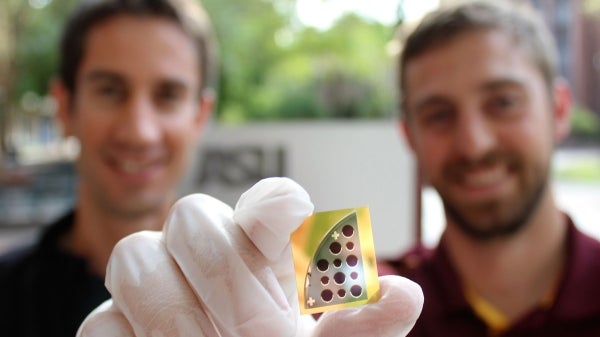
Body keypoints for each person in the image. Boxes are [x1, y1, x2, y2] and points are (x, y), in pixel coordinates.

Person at [0, 1, 423, 336]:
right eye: (110, 91)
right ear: (64, 106)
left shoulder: (302, 262)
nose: (140, 131)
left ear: (201, 114)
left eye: (167, 95)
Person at [379, 1, 600, 336]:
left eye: (503, 102)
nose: (474, 145)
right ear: (410, 137)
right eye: (439, 115)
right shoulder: (378, 315)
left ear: (559, 110)